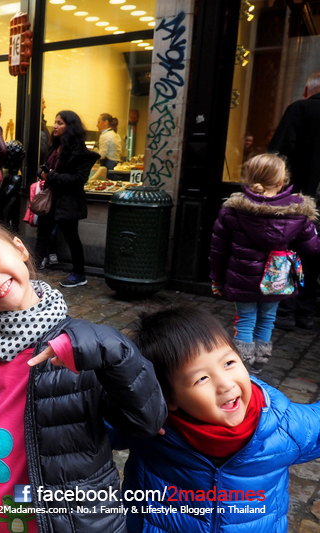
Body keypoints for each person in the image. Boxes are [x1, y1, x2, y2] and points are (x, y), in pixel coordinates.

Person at [0, 215, 166, 532]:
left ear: (20, 249)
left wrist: (112, 350)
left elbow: (146, 421)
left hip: (71, 523)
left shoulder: (87, 346)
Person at [117, 306, 320, 533]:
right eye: (202, 378)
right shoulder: (148, 429)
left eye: (229, 363)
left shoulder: (283, 425)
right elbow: (92, 429)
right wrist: (125, 408)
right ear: (169, 398)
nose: (226, 384)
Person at [208, 153, 320, 364]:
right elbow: (313, 248)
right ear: (281, 181)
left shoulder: (232, 210)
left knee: (245, 321)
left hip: (242, 278)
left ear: (249, 178)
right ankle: (259, 365)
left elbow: (218, 249)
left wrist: (217, 279)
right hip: (276, 278)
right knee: (267, 320)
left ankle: (243, 367)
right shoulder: (298, 213)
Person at [268, 72, 320, 331]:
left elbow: (278, 153)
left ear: (306, 90)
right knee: (315, 255)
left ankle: (286, 310)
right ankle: (306, 311)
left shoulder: (301, 108)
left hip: (298, 199)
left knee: (290, 251)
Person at [36, 110, 100, 288]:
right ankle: (31, 273)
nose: (55, 126)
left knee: (71, 237)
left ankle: (79, 274)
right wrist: (42, 172)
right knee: (42, 235)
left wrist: (51, 176)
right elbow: (46, 167)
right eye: (55, 122)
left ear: (70, 127)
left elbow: (78, 179)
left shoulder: (80, 153)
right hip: (50, 199)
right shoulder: (54, 147)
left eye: (60, 123)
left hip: (68, 201)